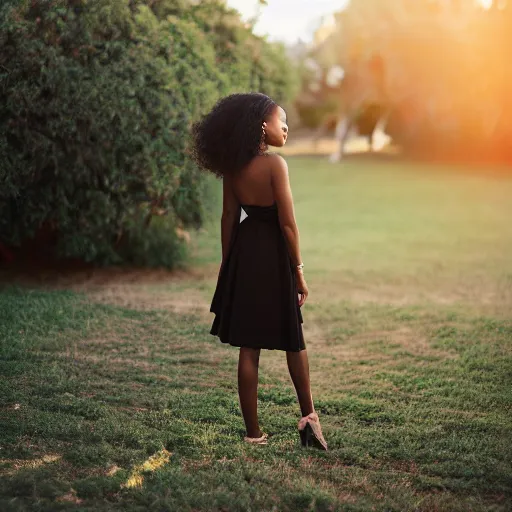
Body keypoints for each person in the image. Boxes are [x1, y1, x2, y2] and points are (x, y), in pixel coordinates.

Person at [191, 92, 327, 450]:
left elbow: (227, 218)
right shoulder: (275, 165)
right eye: (281, 120)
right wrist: (298, 269)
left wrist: (227, 263)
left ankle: (253, 434)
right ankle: (309, 420)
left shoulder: (234, 168)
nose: (285, 127)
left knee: (249, 348)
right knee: (293, 339)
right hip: (273, 254)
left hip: (245, 254)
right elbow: (287, 225)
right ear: (262, 126)